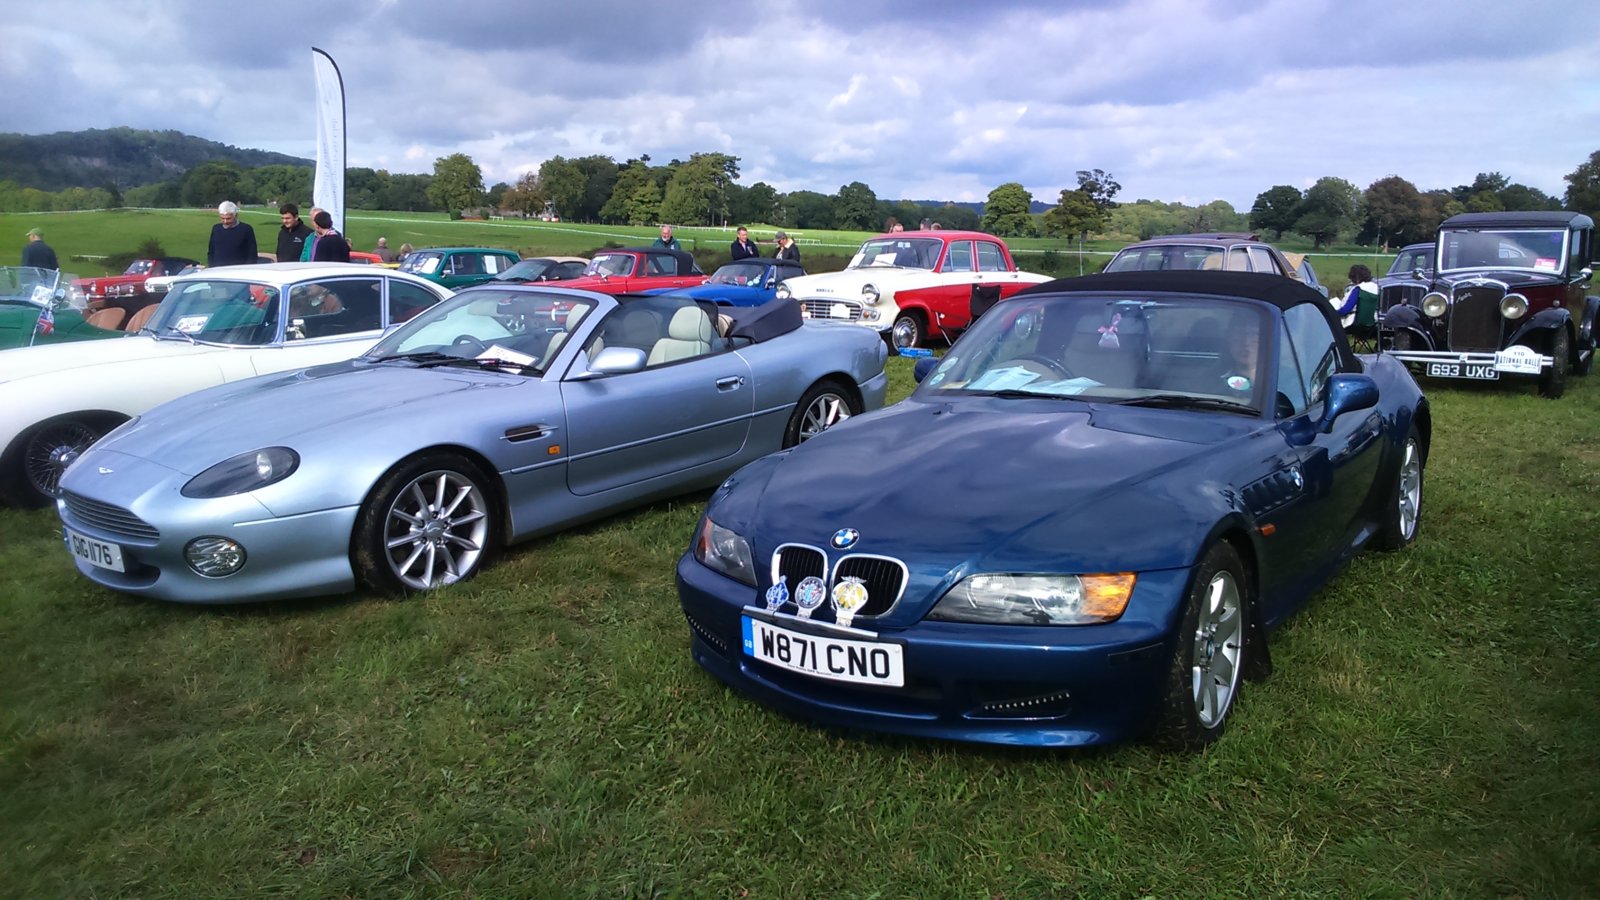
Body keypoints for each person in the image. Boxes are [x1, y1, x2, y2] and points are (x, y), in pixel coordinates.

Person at [208, 201, 258, 267]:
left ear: (236, 216)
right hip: (218, 271)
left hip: (237, 271)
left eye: (228, 218)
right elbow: (211, 251)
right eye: (222, 218)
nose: (225, 221)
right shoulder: (216, 229)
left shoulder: (246, 229)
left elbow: (252, 254)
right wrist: (211, 267)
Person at [1336, 264, 1379, 330]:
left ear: (1355, 278)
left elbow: (1346, 309)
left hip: (1355, 323)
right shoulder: (1377, 288)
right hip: (1373, 322)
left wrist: (1333, 312)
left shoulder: (1358, 289)